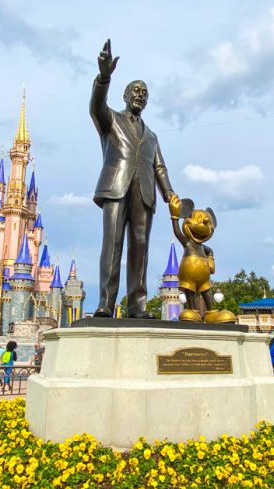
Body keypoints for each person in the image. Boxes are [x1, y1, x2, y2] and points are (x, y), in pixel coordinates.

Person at [90, 39, 175, 319]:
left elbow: (159, 167)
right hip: (116, 187)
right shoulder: (110, 119)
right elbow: (95, 107)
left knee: (141, 248)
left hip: (145, 194)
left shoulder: (152, 136)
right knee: (112, 244)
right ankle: (105, 302)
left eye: (145, 93)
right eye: (136, 91)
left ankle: (137, 305)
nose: (140, 95)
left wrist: (170, 196)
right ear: (126, 96)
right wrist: (104, 77)